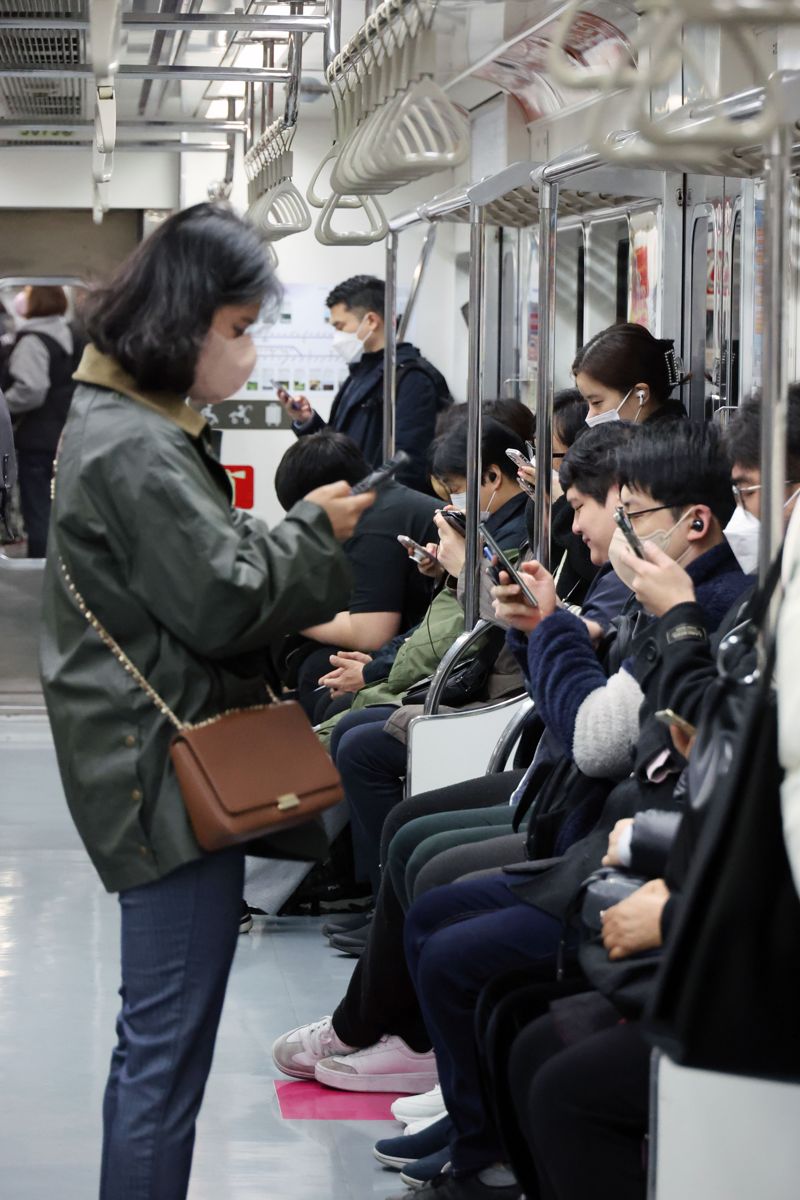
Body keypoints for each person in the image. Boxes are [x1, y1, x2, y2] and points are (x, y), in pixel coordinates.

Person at [38, 202, 374, 1200]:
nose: (248, 351)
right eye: (238, 330)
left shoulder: (122, 426)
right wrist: (313, 529)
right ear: (183, 325)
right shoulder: (136, 448)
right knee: (164, 1054)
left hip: (142, 761)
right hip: (163, 781)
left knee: (156, 1047)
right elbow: (221, 597)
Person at [273, 431, 439, 719]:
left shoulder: (374, 524)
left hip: (425, 646)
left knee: (319, 670)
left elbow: (370, 633)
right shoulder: (383, 498)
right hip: (416, 633)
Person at [279, 275, 450, 492]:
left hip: (382, 510)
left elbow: (408, 464)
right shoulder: (360, 375)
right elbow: (340, 451)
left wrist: (373, 507)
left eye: (340, 326)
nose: (337, 336)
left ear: (371, 321)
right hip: (355, 503)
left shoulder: (411, 379)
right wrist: (308, 421)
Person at [2, 285, 83, 556]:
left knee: (37, 511)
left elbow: (31, 389)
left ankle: (41, 568)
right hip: (64, 432)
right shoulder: (68, 335)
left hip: (36, 437)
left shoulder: (33, 340)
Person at [572, 322, 687, 427]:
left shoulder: (667, 448)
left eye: (596, 402)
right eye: (588, 404)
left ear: (641, 394)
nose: (589, 417)